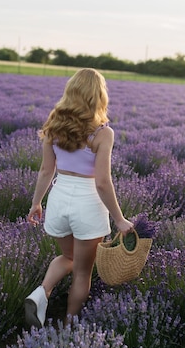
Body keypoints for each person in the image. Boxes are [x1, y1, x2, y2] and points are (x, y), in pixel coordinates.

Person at [25, 68, 134, 328]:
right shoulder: (102, 133)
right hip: (87, 203)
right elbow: (103, 182)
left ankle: (41, 292)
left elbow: (45, 170)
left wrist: (36, 203)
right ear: (98, 96)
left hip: (59, 198)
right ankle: (68, 327)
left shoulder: (54, 126)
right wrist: (119, 219)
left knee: (69, 257)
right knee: (83, 271)